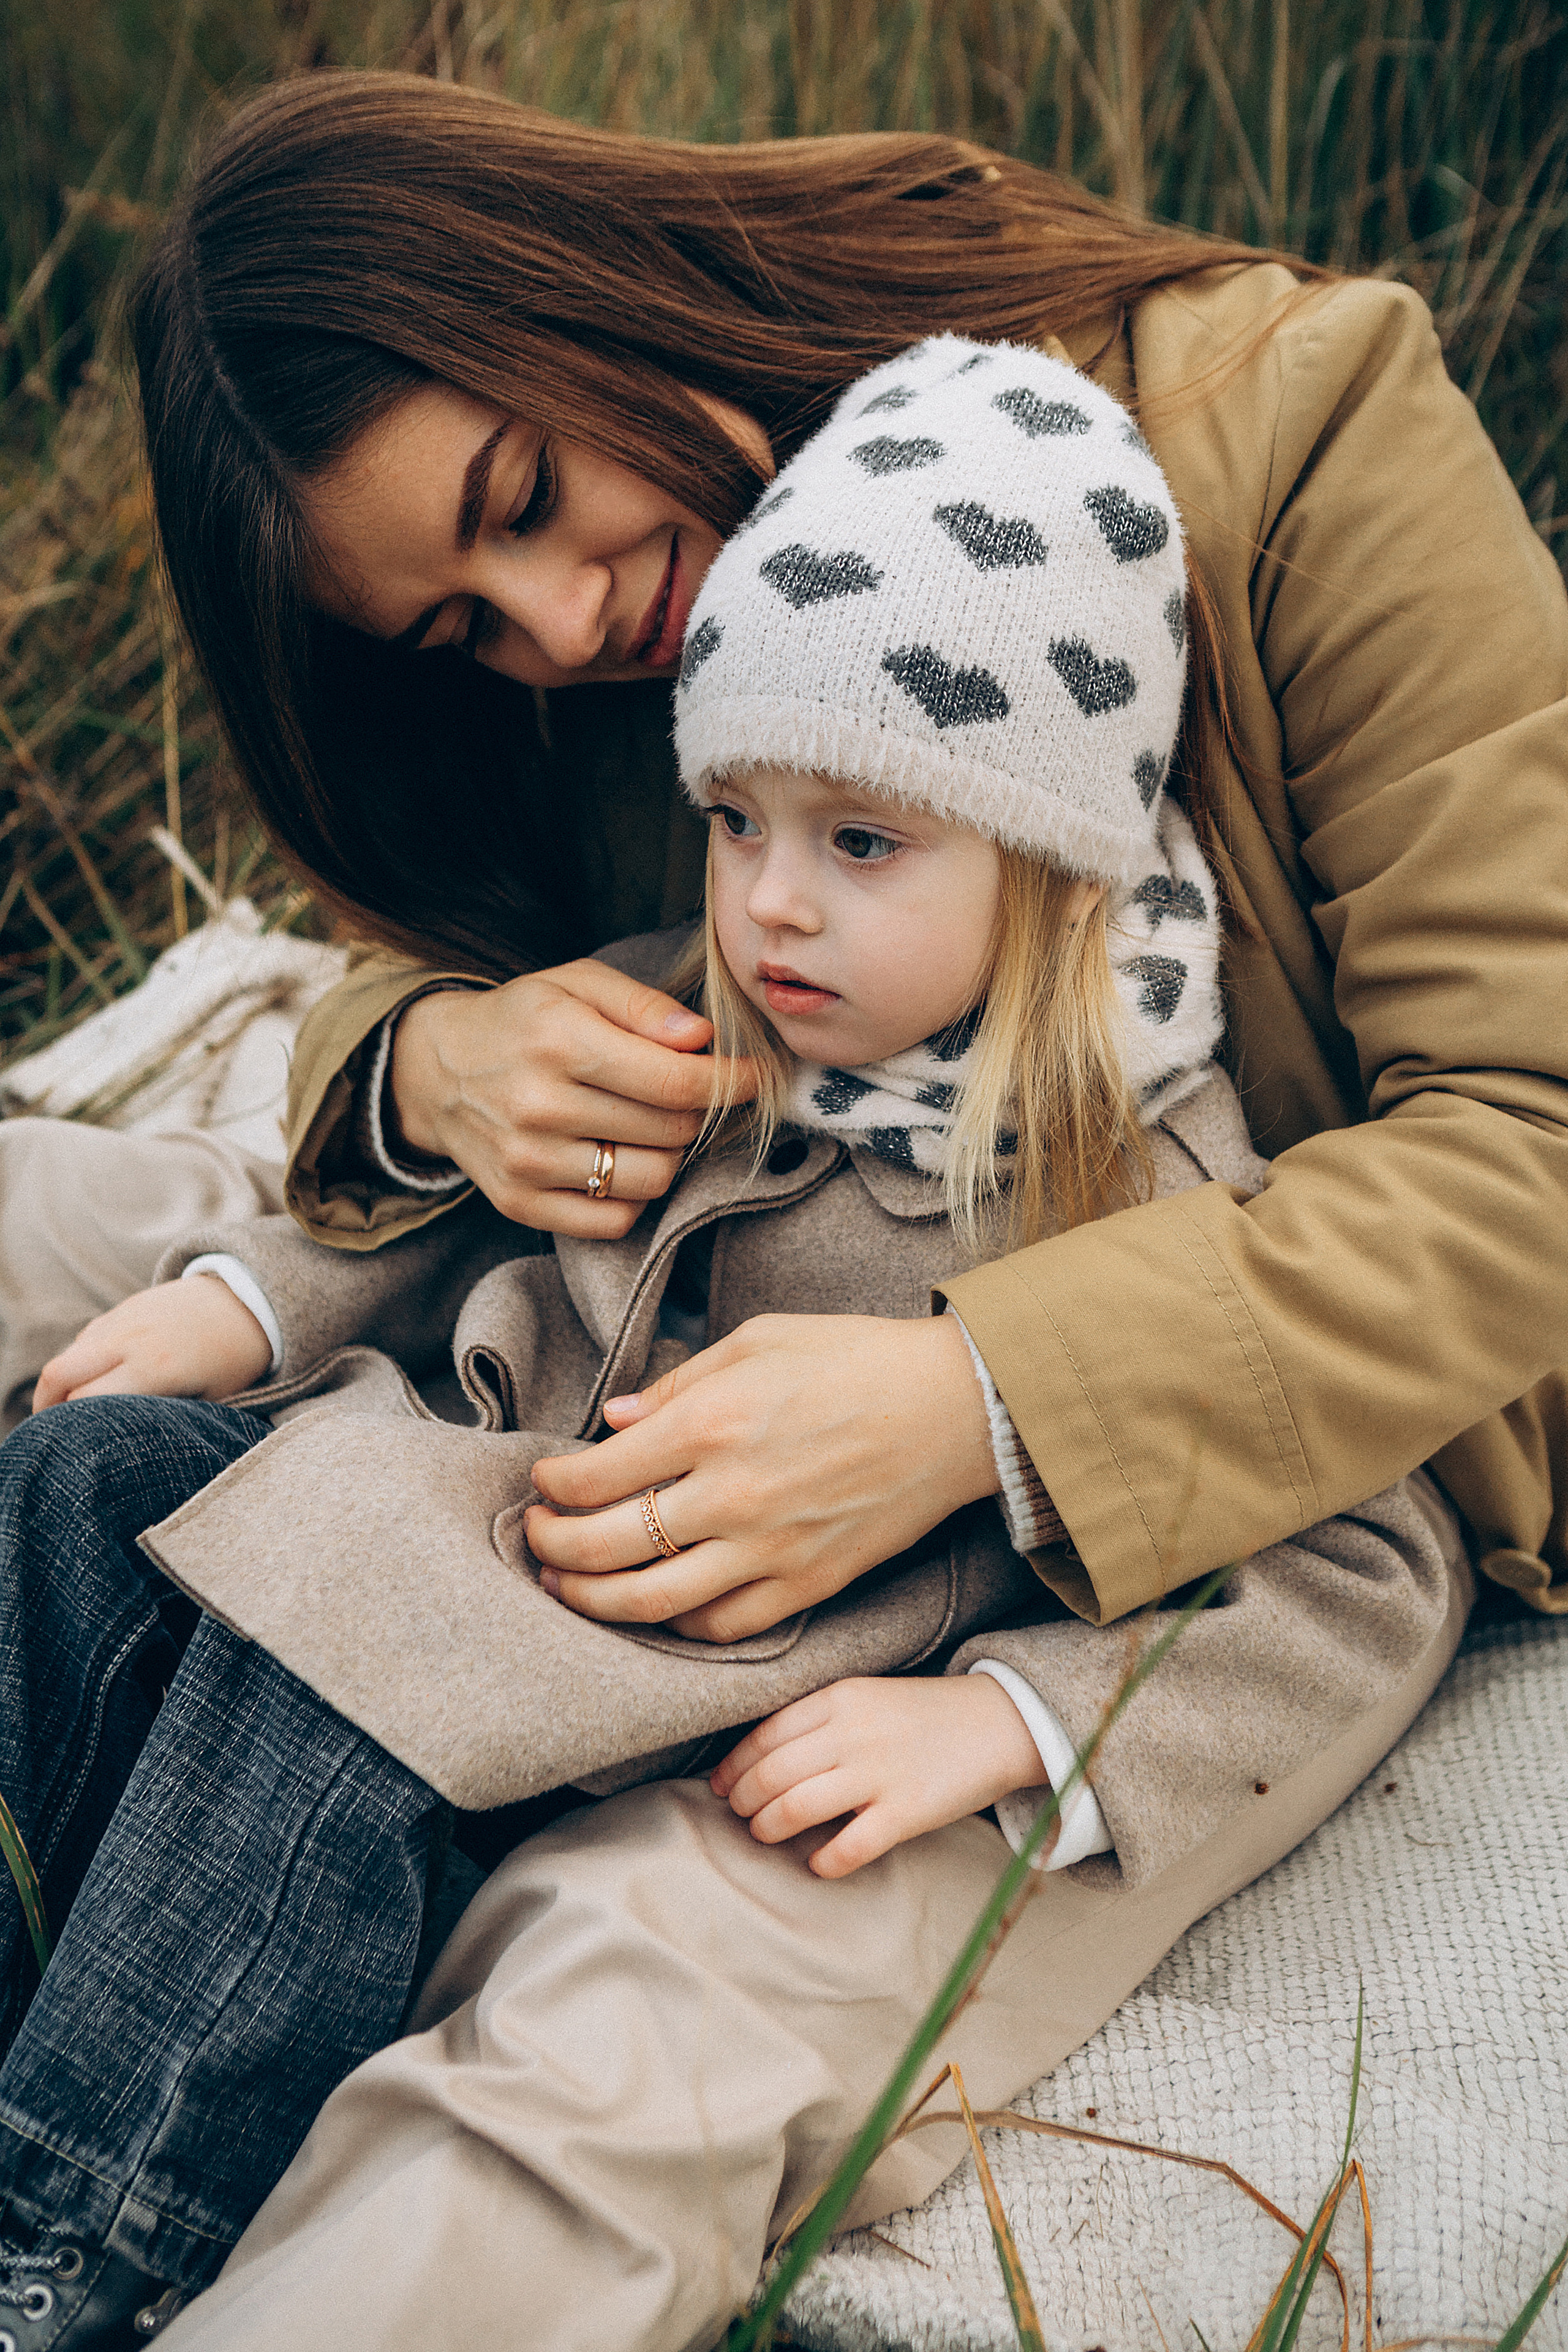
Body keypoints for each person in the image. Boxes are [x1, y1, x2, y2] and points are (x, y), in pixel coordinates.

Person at [7, 340, 1465, 2352]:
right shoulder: (729, 1006)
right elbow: (481, 1199)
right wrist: (256, 1297)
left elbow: (1370, 1574)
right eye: (737, 821)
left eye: (861, 841)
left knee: (337, 1649)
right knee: (76, 1488)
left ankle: (78, 2231)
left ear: (1042, 857)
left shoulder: (1138, 1177)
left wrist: (1020, 1725)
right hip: (490, 1476)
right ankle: (65, 1972)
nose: (770, 904)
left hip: (691, 1629)